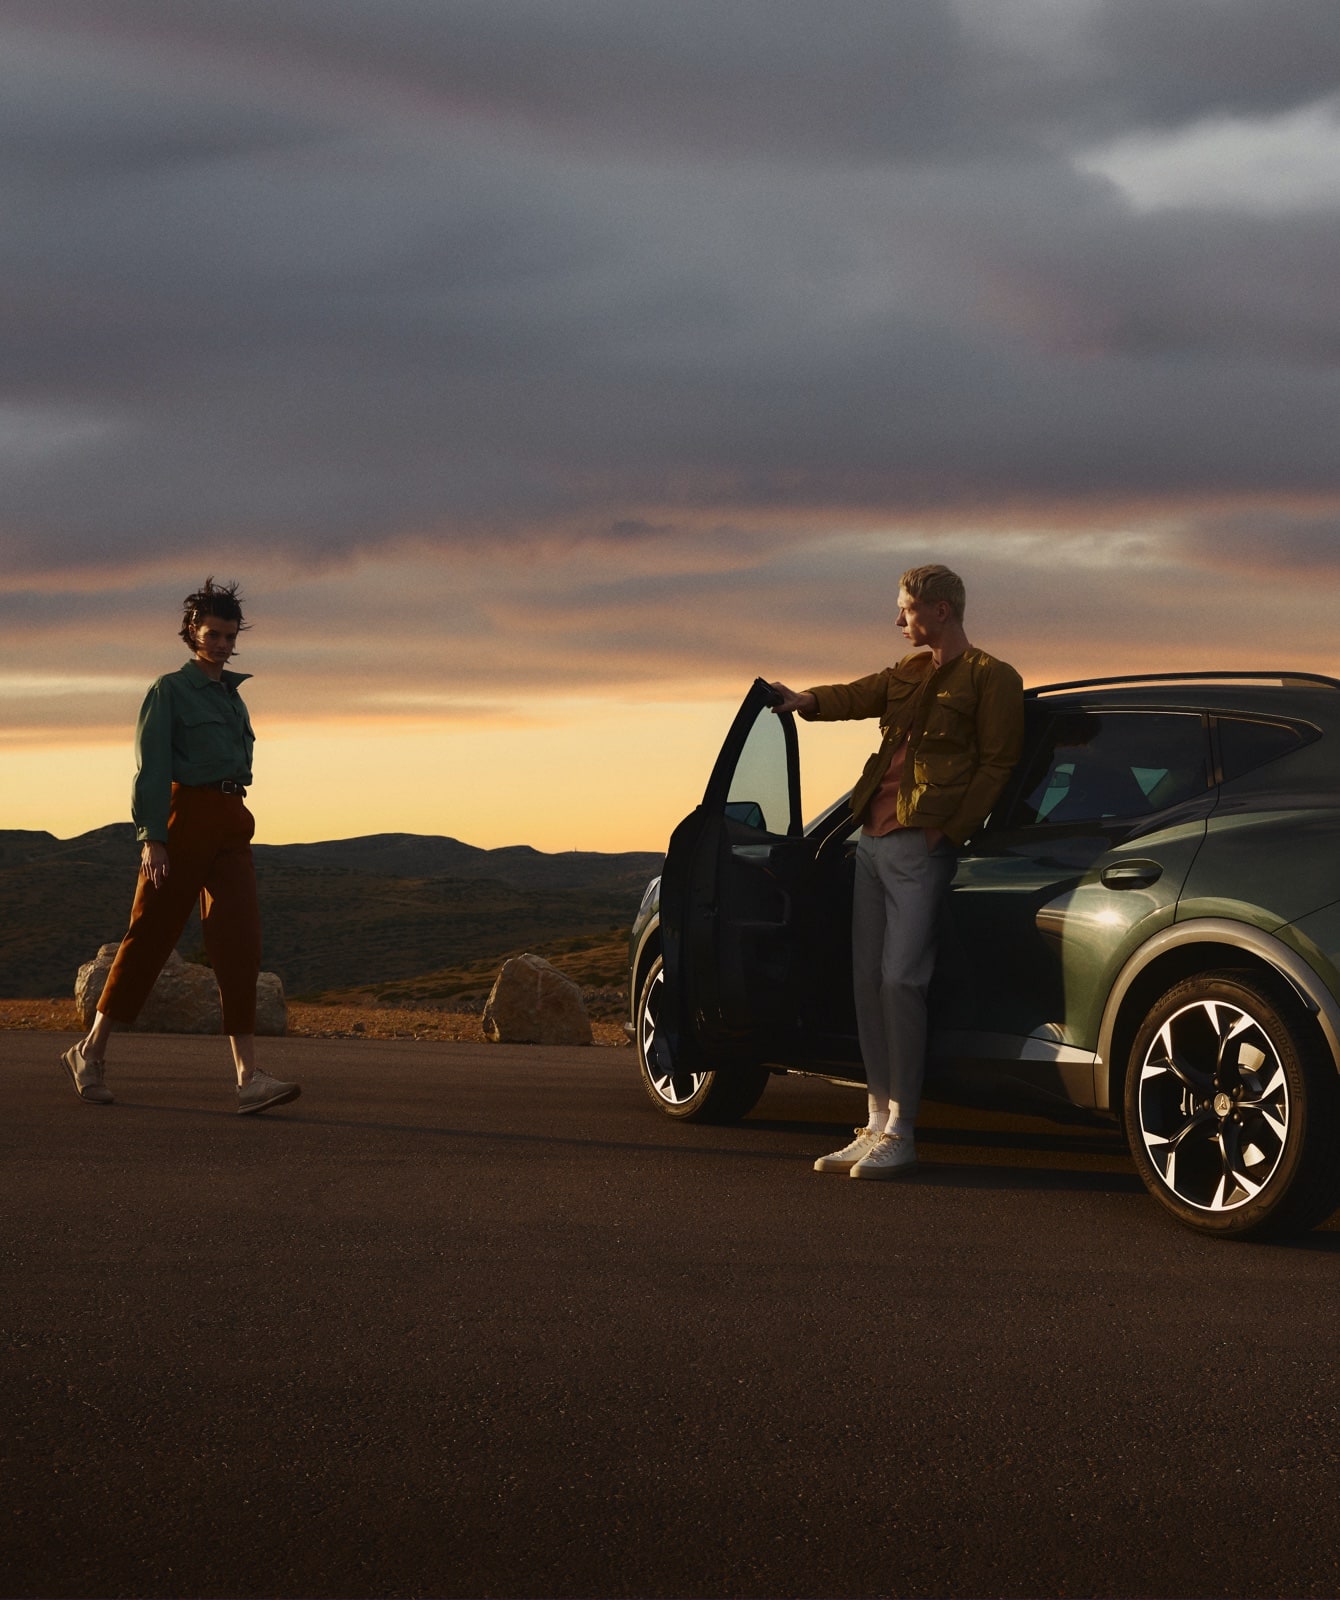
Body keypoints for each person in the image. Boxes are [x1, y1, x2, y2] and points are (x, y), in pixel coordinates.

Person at [769, 564, 1023, 1179]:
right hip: (872, 841)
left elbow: (998, 765)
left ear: (939, 610)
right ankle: (875, 1120)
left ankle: (904, 1130)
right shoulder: (908, 672)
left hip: (919, 846)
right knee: (866, 983)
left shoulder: (994, 678)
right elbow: (858, 695)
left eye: (906, 609)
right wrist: (804, 701)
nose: (897, 620)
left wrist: (946, 832)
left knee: (902, 983)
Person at [61, 579, 300, 1115]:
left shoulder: (232, 695)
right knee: (150, 935)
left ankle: (248, 1078)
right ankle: (89, 1051)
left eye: (229, 636)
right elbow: (150, 769)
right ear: (192, 632)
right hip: (182, 815)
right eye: (212, 633)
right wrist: (153, 838)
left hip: (232, 819)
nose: (220, 644)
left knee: (240, 942)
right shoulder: (168, 690)